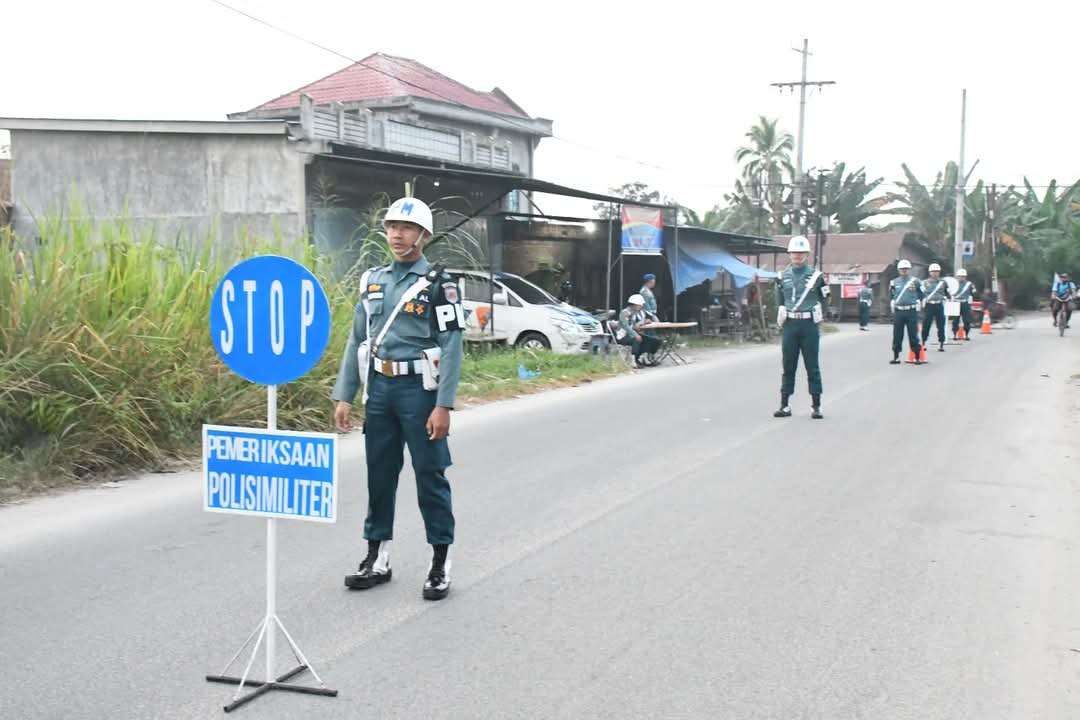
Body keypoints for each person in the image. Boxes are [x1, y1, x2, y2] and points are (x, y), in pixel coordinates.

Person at [332, 196, 464, 602]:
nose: (397, 234)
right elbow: (357, 338)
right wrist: (344, 394)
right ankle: (377, 556)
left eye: (406, 228)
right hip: (380, 390)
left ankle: (440, 561)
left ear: (423, 235)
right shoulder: (372, 280)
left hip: (420, 393)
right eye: (391, 227)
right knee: (379, 475)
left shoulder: (440, 285)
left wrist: (443, 405)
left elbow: (452, 345)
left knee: (430, 475)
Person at [773, 235, 829, 419]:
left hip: (808, 324)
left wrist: (820, 313)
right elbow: (779, 298)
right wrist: (781, 309)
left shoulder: (816, 276)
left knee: (812, 365)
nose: (797, 256)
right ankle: (784, 405)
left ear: (807, 254)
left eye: (801, 253)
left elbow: (825, 297)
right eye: (794, 252)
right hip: (790, 324)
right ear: (789, 254)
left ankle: (816, 405)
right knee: (788, 365)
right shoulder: (782, 276)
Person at [889, 259, 925, 365]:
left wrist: (920, 302)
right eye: (902, 269)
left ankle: (917, 357)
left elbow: (922, 293)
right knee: (897, 335)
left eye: (906, 269)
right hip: (899, 311)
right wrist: (892, 303)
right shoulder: (893, 282)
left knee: (913, 334)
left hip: (911, 311)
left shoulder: (916, 281)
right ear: (898, 270)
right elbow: (891, 295)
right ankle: (896, 356)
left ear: (909, 269)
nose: (904, 270)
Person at [618, 294, 661, 366]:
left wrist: (642, 323)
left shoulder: (635, 312)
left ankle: (645, 357)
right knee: (637, 339)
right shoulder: (624, 312)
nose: (641, 306)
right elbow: (626, 327)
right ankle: (633, 361)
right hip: (622, 336)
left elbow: (634, 326)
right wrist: (635, 335)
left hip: (631, 334)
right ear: (634, 304)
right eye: (640, 305)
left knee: (653, 340)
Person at [920, 263, 951, 352]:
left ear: (939, 272)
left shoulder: (943, 283)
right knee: (926, 324)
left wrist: (948, 298)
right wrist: (921, 301)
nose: (935, 273)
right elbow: (920, 294)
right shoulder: (924, 283)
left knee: (941, 325)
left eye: (937, 271)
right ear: (930, 272)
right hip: (929, 305)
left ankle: (941, 344)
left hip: (939, 305)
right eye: (933, 271)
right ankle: (923, 342)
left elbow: (947, 293)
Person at [951, 268, 976, 340]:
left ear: (965, 277)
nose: (961, 277)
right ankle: (955, 335)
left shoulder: (969, 284)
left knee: (967, 320)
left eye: (963, 276)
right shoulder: (954, 284)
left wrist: (970, 297)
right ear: (957, 276)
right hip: (956, 303)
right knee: (955, 320)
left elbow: (974, 292)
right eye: (960, 276)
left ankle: (966, 335)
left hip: (965, 303)